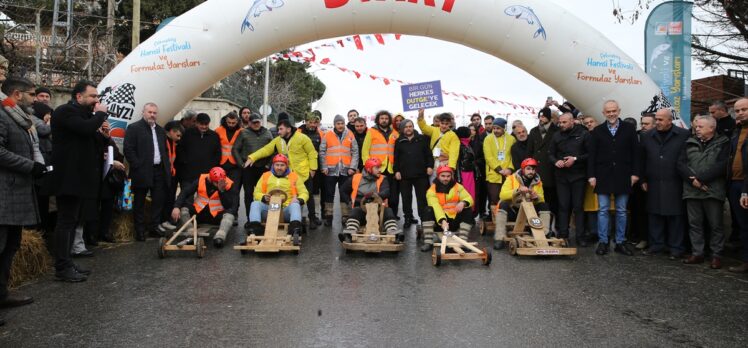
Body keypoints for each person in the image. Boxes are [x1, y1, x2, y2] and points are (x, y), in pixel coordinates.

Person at [50, 80, 108, 282]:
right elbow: (84, 130)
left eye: (97, 97)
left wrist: (103, 134)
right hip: (67, 176)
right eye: (92, 96)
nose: (96, 100)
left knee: (72, 220)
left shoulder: (85, 116)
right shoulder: (65, 112)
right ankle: (62, 266)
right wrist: (100, 115)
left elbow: (91, 139)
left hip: (79, 177)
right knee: (66, 222)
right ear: (78, 96)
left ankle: (67, 262)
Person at [0, 77, 43, 321]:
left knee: (11, 245)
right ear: (17, 94)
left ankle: (2, 294)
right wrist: (30, 166)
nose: (34, 99)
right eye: (31, 94)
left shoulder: (17, 117)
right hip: (5, 192)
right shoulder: (2, 116)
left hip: (17, 192)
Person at [588, 100, 639, 256]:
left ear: (619, 111)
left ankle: (620, 242)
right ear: (604, 113)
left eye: (614, 111)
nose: (611, 114)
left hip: (624, 175)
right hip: (602, 175)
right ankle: (603, 242)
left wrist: (635, 173)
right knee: (603, 210)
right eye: (608, 111)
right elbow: (592, 156)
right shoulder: (597, 131)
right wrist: (591, 175)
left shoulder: (629, 129)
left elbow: (636, 153)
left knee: (621, 211)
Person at [678, 116, 730, 269]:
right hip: (691, 190)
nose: (697, 129)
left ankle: (716, 255)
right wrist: (692, 180)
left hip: (713, 190)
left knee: (715, 225)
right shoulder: (689, 142)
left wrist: (700, 179)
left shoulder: (723, 143)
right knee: (695, 224)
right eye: (696, 126)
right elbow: (680, 164)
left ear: (712, 128)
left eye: (700, 126)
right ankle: (697, 253)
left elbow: (722, 165)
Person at [246, 118, 317, 226]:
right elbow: (266, 149)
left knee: (308, 195)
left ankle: (312, 218)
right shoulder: (278, 140)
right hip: (286, 173)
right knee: (290, 198)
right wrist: (252, 157)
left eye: (281, 129)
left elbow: (312, 153)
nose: (278, 132)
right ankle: (289, 217)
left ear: (288, 129)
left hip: (302, 173)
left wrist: (313, 168)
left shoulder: (302, 138)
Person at [639, 108, 689, 259]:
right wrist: (643, 179)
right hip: (653, 181)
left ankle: (676, 248)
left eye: (661, 120)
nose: (657, 122)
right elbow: (642, 159)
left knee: (675, 216)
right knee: (654, 214)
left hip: (675, 181)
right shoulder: (647, 136)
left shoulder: (683, 135)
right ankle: (656, 245)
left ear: (670, 120)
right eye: (657, 119)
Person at [123, 103, 171, 241]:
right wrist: (137, 164)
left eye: (154, 113)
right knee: (139, 201)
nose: (152, 115)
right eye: (149, 112)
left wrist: (165, 166)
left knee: (158, 200)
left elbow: (164, 151)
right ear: (143, 112)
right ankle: (140, 230)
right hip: (141, 171)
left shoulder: (161, 131)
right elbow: (128, 149)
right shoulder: (134, 128)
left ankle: (154, 227)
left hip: (158, 170)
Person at [245, 154, 306, 245]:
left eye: (282, 165)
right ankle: (254, 229)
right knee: (255, 204)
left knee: (295, 205)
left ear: (286, 166)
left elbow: (304, 192)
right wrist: (263, 197)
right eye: (277, 165)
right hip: (269, 209)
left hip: (286, 209)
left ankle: (295, 229)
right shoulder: (265, 176)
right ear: (273, 165)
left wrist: (299, 200)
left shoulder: (294, 176)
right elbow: (256, 192)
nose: (279, 168)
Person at [548, 112, 590, 245]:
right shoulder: (556, 135)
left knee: (578, 207)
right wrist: (556, 162)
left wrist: (575, 159)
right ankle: (563, 234)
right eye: (560, 122)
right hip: (561, 176)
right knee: (563, 206)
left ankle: (580, 236)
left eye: (564, 122)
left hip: (578, 176)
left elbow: (590, 154)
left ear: (572, 121)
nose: (561, 125)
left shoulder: (583, 134)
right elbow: (550, 153)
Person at [339, 158, 403, 243]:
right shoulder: (356, 177)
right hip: (361, 209)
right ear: (369, 169)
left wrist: (373, 196)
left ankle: (394, 234)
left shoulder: (383, 178)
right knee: (355, 212)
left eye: (380, 167)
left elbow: (386, 192)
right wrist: (349, 202)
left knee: (388, 211)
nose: (380, 170)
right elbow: (342, 190)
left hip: (378, 210)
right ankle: (349, 234)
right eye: (377, 168)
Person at [171, 167, 238, 247]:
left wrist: (222, 191)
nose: (219, 184)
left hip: (216, 217)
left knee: (230, 214)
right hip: (199, 215)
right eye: (216, 183)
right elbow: (185, 192)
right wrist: (176, 207)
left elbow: (230, 205)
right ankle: (191, 232)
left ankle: (220, 237)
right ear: (210, 180)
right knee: (183, 208)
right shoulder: (201, 179)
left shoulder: (228, 184)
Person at [494, 158, 551, 249]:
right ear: (523, 169)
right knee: (503, 204)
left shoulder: (538, 182)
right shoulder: (511, 178)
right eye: (528, 169)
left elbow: (542, 198)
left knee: (544, 205)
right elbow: (502, 195)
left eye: (533, 169)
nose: (531, 171)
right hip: (514, 211)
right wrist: (517, 190)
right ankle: (499, 238)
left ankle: (544, 234)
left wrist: (536, 197)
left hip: (529, 214)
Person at [85, 121, 125, 244]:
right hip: (94, 177)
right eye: (103, 128)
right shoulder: (91, 137)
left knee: (107, 206)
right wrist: (111, 160)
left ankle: (104, 232)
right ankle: (91, 234)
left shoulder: (109, 140)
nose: (106, 130)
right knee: (93, 208)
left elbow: (118, 154)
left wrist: (108, 139)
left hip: (107, 178)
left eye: (107, 128)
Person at [420, 166, 474, 251]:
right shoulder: (431, 190)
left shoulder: (458, 187)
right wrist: (442, 221)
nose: (446, 178)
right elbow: (436, 207)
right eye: (443, 176)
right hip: (440, 224)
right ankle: (428, 242)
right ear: (438, 176)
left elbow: (469, 198)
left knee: (468, 209)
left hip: (453, 221)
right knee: (428, 210)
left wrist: (463, 203)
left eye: (448, 176)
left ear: (451, 176)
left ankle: (463, 241)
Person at [232, 112, 273, 223]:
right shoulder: (243, 133)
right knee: (249, 194)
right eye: (254, 122)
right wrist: (241, 164)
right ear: (249, 123)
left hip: (263, 169)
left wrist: (268, 165)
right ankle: (250, 220)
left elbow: (274, 149)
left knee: (265, 194)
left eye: (258, 122)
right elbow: (235, 149)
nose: (256, 124)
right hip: (248, 169)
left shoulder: (267, 133)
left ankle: (264, 219)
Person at [319, 114, 359, 226]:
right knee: (329, 194)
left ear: (344, 123)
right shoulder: (327, 135)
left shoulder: (350, 135)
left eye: (342, 123)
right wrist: (324, 167)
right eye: (338, 123)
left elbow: (355, 152)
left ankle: (345, 217)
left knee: (344, 193)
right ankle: (328, 217)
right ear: (334, 124)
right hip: (330, 170)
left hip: (346, 170)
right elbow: (322, 152)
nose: (340, 125)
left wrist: (352, 167)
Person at [394, 119, 433, 230]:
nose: (408, 128)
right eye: (406, 127)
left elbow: (428, 155)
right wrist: (396, 171)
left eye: (410, 126)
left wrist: (430, 166)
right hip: (404, 175)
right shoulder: (399, 141)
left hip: (421, 175)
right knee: (406, 198)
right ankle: (408, 218)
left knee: (422, 199)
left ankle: (423, 220)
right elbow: (396, 158)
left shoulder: (422, 139)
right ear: (402, 129)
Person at [362, 110, 400, 216]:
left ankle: (392, 215)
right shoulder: (371, 131)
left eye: (386, 118)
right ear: (378, 120)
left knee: (393, 195)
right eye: (382, 118)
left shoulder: (395, 133)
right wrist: (368, 166)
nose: (384, 120)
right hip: (377, 169)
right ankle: (376, 215)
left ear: (389, 120)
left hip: (391, 168)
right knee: (378, 193)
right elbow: (365, 150)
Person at [527, 107, 559, 230]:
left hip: (550, 171)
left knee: (550, 201)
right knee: (536, 200)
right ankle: (535, 227)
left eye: (544, 116)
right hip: (536, 171)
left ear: (549, 117)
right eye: (540, 116)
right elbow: (529, 151)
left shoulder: (556, 131)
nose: (542, 118)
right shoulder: (534, 131)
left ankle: (549, 228)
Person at [175, 113, 221, 188]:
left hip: (207, 175)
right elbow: (180, 149)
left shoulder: (214, 136)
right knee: (187, 198)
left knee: (204, 199)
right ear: (196, 123)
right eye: (201, 124)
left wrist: (212, 167)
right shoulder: (188, 133)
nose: (204, 127)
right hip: (188, 175)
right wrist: (185, 162)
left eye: (206, 124)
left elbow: (217, 154)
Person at [729, 98, 748, 273]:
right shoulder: (737, 132)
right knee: (742, 225)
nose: (740, 113)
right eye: (737, 110)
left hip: (745, 186)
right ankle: (745, 260)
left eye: (744, 109)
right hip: (735, 183)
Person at [297, 111, 325, 229]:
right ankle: (300, 216)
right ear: (306, 121)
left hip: (316, 167)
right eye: (310, 122)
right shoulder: (298, 132)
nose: (313, 125)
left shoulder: (321, 134)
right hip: (301, 167)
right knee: (301, 191)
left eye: (315, 122)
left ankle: (314, 215)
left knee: (315, 191)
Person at [483, 118, 515, 218]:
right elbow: (488, 157)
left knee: (508, 197)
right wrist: (499, 169)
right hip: (494, 174)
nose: (495, 130)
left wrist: (509, 169)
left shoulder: (511, 139)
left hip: (508, 174)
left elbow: (513, 156)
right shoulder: (488, 139)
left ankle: (507, 218)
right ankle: (495, 219)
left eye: (498, 128)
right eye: (494, 128)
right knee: (494, 198)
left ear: (503, 129)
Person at [159, 120, 184, 230]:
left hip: (171, 173)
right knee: (162, 199)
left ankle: (166, 219)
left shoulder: (173, 143)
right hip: (163, 174)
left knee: (170, 197)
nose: (179, 138)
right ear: (171, 132)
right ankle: (160, 221)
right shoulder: (163, 141)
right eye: (178, 135)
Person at [215, 111, 243, 184]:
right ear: (225, 121)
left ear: (237, 121)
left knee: (234, 188)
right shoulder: (218, 130)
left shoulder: (241, 131)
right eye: (229, 122)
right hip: (221, 164)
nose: (231, 125)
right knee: (221, 188)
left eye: (233, 123)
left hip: (235, 164)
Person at [455, 127, 477, 203]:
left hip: (469, 172)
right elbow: (457, 162)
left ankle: (469, 211)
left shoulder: (467, 144)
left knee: (470, 193)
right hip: (464, 173)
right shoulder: (460, 145)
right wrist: (459, 177)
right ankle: (466, 210)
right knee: (466, 193)